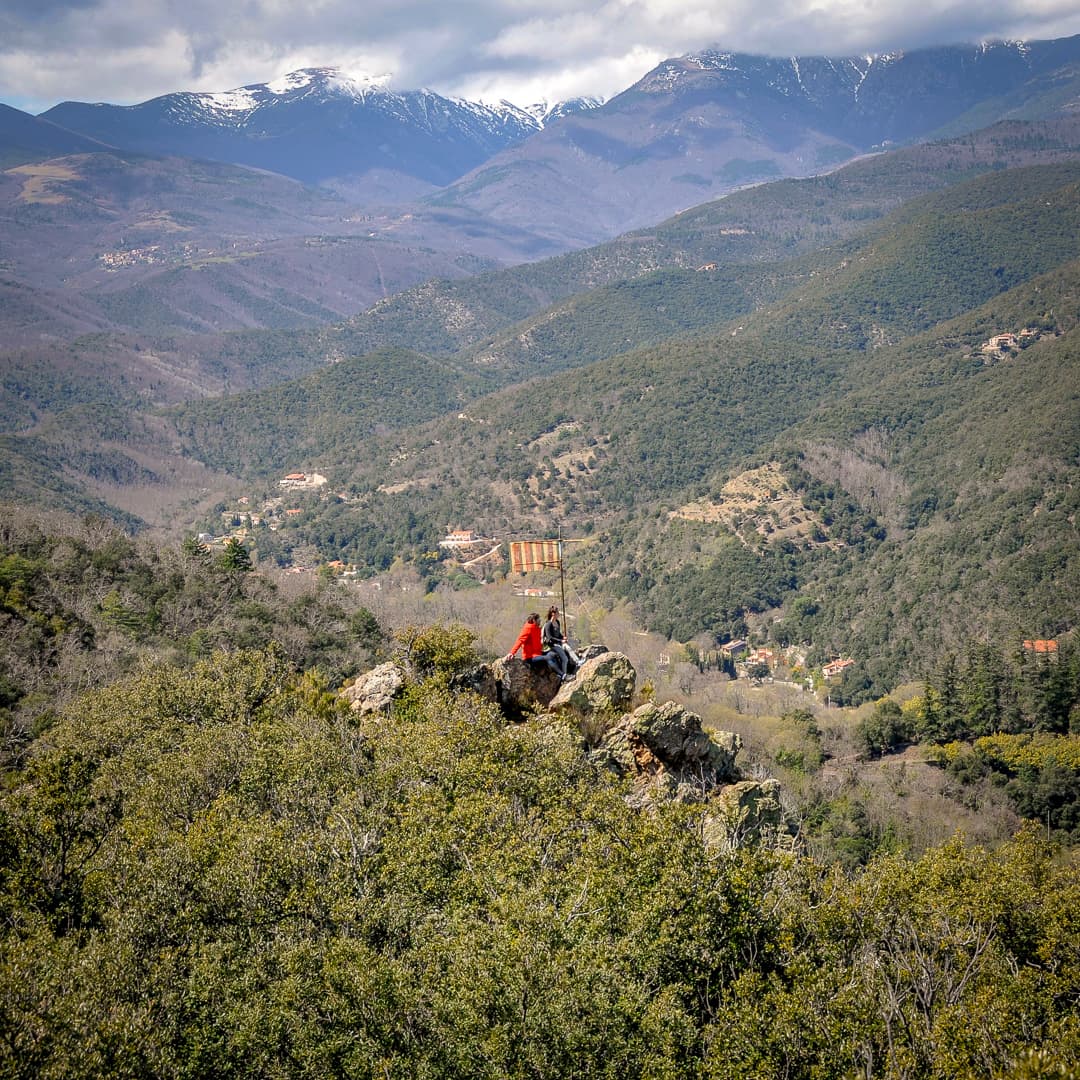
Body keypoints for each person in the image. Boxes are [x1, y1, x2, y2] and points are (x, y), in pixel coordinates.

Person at [506, 612, 565, 677]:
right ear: (534, 620)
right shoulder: (528, 628)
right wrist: (512, 653)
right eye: (538, 620)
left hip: (537, 654)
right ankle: (563, 675)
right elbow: (520, 640)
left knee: (553, 654)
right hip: (530, 657)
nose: (540, 621)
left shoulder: (536, 628)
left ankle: (558, 675)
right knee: (548, 657)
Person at [542, 605, 581, 676]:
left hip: (559, 643)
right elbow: (549, 638)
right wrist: (560, 641)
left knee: (568, 648)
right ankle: (564, 675)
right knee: (565, 659)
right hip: (553, 645)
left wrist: (563, 637)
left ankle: (578, 661)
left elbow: (558, 634)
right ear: (553, 613)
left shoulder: (557, 622)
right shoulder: (548, 624)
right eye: (557, 612)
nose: (558, 614)